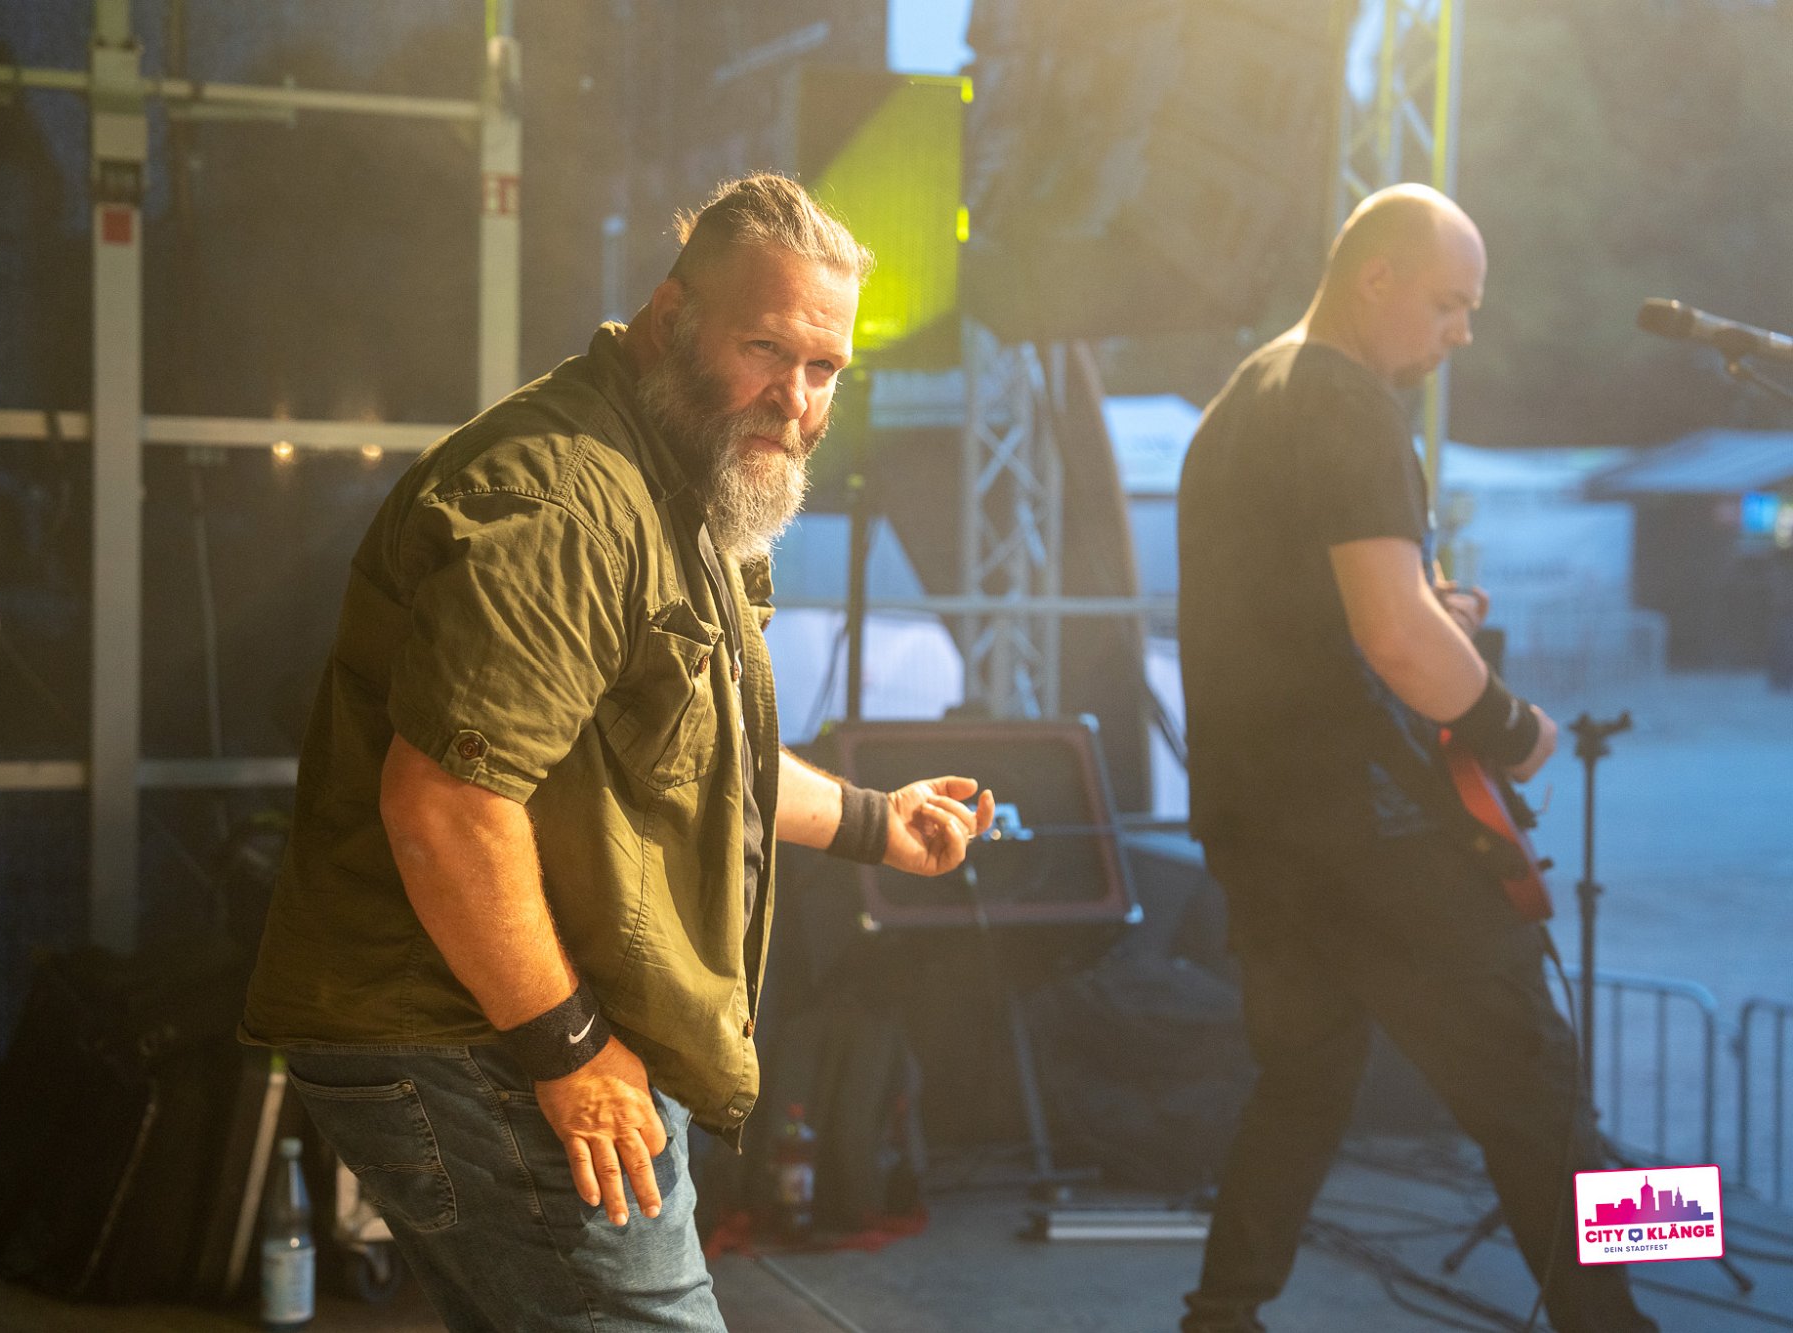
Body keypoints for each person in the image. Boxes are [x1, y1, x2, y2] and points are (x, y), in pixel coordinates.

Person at [240, 172, 993, 1332]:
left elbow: (691, 750)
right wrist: (571, 1049)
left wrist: (870, 820)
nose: (795, 399)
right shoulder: (565, 504)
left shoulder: (678, 478)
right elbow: (444, 807)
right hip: (476, 1037)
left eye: (823, 367)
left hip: (494, 1030)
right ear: (669, 316)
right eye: (765, 349)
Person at [1174, 184, 1657, 1333]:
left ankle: (1219, 1315)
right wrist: (1515, 729)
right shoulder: (1350, 405)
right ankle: (1621, 1320)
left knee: (1301, 1082)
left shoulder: (1240, 398)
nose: (1461, 332)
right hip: (1369, 830)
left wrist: (1431, 613)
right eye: (1447, 302)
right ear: (1374, 276)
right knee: (1539, 1079)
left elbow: (1328, 611)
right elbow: (1394, 638)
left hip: (1256, 829)